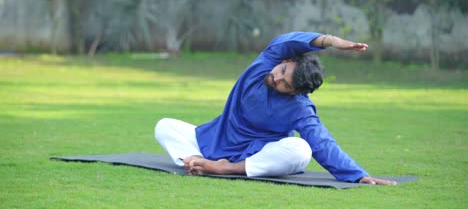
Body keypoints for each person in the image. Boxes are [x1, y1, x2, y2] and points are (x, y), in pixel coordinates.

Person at [155, 31, 396, 185]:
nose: (276, 80)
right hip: (218, 139)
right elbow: (288, 41)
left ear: (295, 93)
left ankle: (224, 168)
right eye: (281, 73)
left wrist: (357, 174)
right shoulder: (267, 63)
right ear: (285, 60)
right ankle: (198, 161)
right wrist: (330, 40)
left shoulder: (300, 108)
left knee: (301, 150)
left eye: (285, 85)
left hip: (255, 154)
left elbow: (322, 143)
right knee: (164, 126)